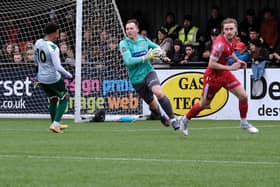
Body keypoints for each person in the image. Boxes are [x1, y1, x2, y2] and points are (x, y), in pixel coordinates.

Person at [179, 18, 259, 136]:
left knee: (243, 96)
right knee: (204, 104)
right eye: (226, 29)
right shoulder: (219, 44)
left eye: (231, 29)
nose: (229, 31)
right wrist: (230, 68)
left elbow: (229, 52)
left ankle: (243, 122)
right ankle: (185, 119)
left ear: (236, 30)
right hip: (213, 77)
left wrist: (238, 60)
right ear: (223, 31)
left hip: (224, 74)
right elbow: (211, 64)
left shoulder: (234, 40)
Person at [119, 19, 180, 130]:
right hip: (136, 79)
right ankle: (161, 116)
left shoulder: (144, 40)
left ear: (137, 30)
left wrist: (162, 55)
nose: (129, 31)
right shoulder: (124, 43)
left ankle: (173, 119)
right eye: (127, 29)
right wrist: (145, 57)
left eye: (131, 28)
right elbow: (128, 61)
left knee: (158, 92)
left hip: (148, 72)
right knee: (153, 105)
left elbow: (157, 48)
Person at [34, 22, 73, 133]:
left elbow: (35, 60)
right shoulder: (53, 47)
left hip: (41, 78)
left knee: (53, 99)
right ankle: (55, 124)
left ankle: (54, 123)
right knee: (65, 98)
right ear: (55, 33)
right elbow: (58, 67)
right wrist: (69, 75)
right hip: (52, 78)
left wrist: (37, 74)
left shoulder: (38, 42)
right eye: (58, 32)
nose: (58, 35)